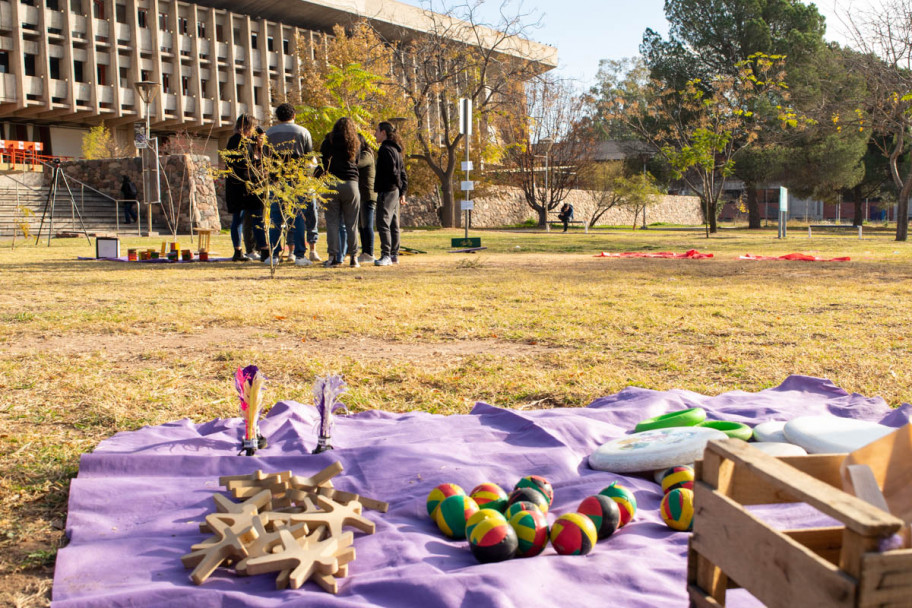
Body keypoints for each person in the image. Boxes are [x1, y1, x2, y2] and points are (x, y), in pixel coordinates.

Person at [263, 102, 319, 266]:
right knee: (298, 218)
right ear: (294, 115)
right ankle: (300, 255)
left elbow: (266, 158)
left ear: (277, 117)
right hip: (297, 180)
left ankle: (273, 254)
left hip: (277, 180)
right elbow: (309, 157)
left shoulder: (269, 133)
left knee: (276, 218)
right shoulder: (303, 132)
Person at [316, 117, 361, 267]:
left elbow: (323, 162)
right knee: (351, 224)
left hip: (331, 183)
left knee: (332, 223)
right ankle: (354, 257)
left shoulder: (328, 141)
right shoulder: (356, 142)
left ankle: (333, 256)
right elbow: (357, 163)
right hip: (350, 183)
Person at [224, 115, 265, 261]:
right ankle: (261, 249)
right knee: (252, 217)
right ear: (248, 127)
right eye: (252, 128)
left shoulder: (233, 140)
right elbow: (245, 165)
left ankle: (238, 250)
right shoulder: (242, 141)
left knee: (237, 219)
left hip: (234, 184)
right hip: (244, 185)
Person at [373, 121, 408, 266]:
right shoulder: (397, 151)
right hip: (395, 190)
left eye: (377, 131)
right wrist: (402, 190)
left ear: (383, 133)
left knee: (383, 222)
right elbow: (403, 173)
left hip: (387, 190)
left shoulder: (385, 150)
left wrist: (398, 186)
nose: (374, 134)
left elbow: (393, 172)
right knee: (393, 223)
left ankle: (386, 255)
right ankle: (394, 255)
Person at [356, 134, 377, 264]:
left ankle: (369, 252)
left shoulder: (366, 155)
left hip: (367, 195)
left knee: (367, 225)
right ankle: (364, 251)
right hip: (361, 194)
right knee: (361, 226)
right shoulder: (363, 154)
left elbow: (357, 165)